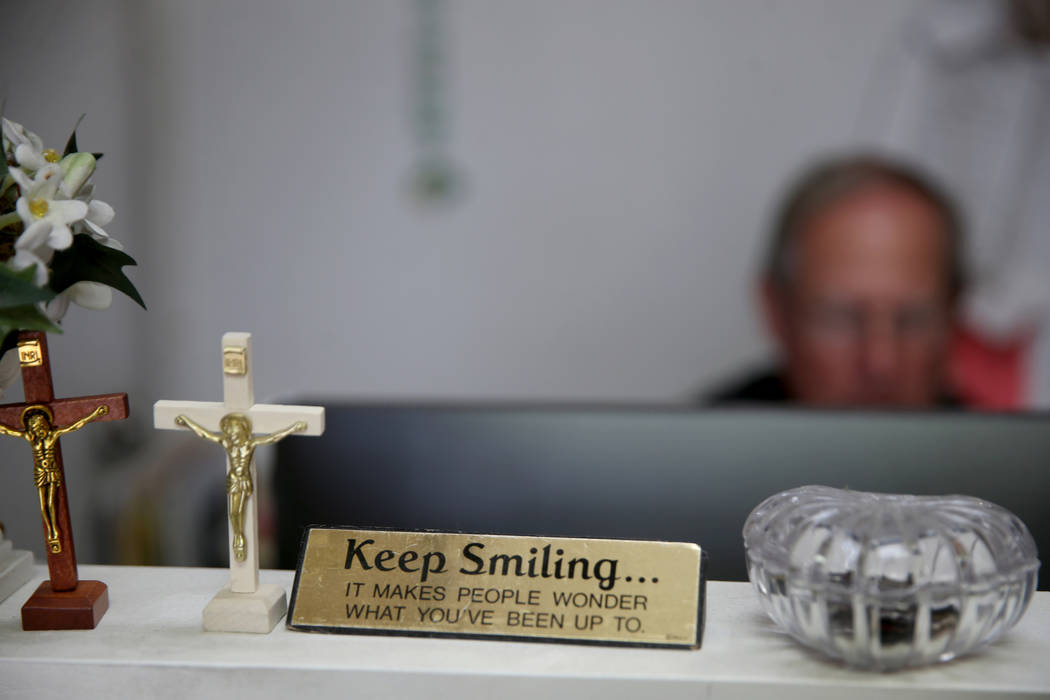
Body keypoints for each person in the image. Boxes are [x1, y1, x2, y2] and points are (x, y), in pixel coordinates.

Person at [708, 155, 966, 407]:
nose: (880, 363)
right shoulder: (694, 447)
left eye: (912, 320)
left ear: (954, 313)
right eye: (842, 318)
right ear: (776, 311)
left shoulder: (999, 448)